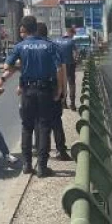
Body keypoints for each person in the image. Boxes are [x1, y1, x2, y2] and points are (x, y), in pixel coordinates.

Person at [0, 16, 65, 177]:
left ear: (24, 30)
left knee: (27, 127)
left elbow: (7, 66)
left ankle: (27, 165)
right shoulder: (50, 46)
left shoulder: (20, 46)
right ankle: (42, 167)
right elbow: (59, 69)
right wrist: (60, 89)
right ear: (36, 28)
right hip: (45, 90)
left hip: (27, 91)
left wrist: (11, 72)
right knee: (44, 127)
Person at [36, 23, 71, 161]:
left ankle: (41, 152)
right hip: (54, 89)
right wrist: (63, 91)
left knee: (40, 123)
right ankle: (61, 150)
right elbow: (62, 69)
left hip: (37, 90)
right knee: (56, 121)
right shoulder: (54, 47)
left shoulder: (32, 48)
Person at [55, 26, 78, 110]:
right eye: (73, 34)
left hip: (59, 65)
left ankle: (63, 103)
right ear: (70, 33)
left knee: (61, 83)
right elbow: (75, 54)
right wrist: (75, 61)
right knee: (71, 84)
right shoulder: (71, 41)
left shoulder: (56, 41)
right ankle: (72, 104)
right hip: (69, 65)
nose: (73, 36)